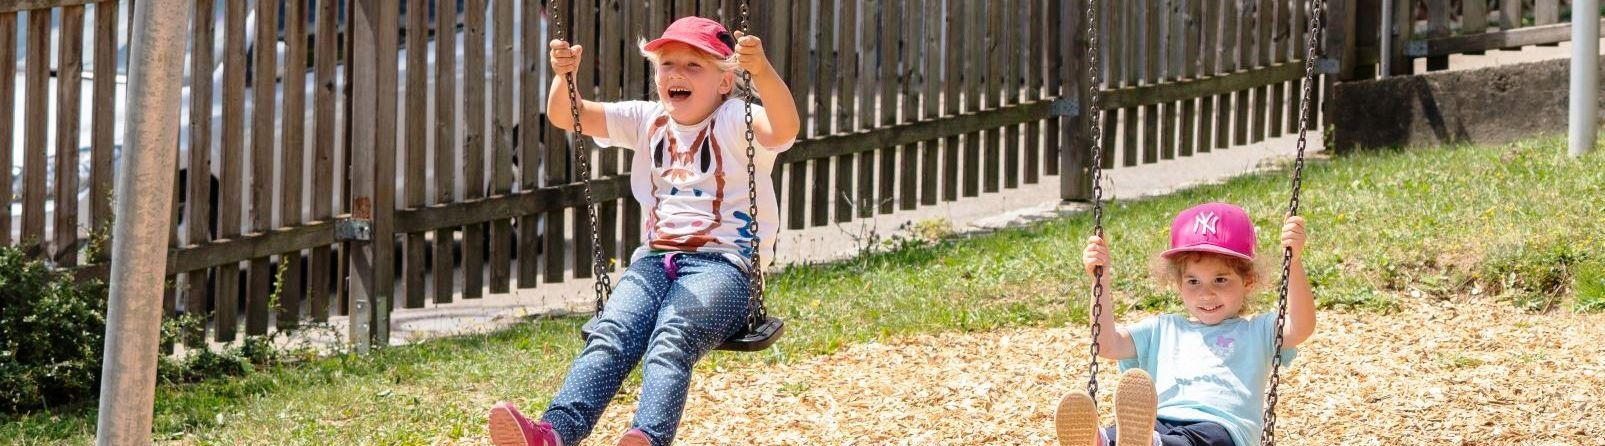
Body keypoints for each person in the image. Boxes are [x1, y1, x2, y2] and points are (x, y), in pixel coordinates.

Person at [486, 15, 799, 446]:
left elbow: (785, 129)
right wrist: (565, 77)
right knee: (610, 335)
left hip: (726, 268)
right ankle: (552, 434)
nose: (677, 74)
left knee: (672, 336)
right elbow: (567, 115)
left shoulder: (734, 119)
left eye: (694, 66)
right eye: (668, 63)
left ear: (726, 81)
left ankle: (647, 437)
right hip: (655, 262)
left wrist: (761, 71)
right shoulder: (647, 119)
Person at [1057, 202, 1315, 446]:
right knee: (1133, 432)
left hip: (1222, 428)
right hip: (1157, 422)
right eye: (1193, 282)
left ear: (1248, 281)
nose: (1206, 294)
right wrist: (1099, 280)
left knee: (1204, 439)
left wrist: (1294, 262)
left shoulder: (1257, 331)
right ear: (1179, 284)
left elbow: (1301, 326)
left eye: (1220, 280)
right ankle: (1104, 440)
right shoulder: (1163, 329)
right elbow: (1107, 344)